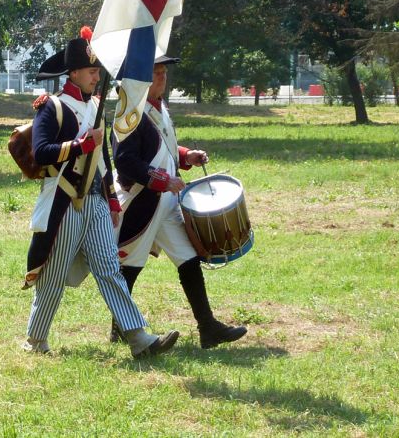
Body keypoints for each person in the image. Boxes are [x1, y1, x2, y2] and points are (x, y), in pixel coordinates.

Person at [22, 27, 178, 358]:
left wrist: (111, 200)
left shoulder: (95, 106)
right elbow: (42, 152)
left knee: (109, 268)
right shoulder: (53, 106)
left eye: (97, 71)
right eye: (91, 71)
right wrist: (80, 144)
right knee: (55, 274)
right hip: (65, 200)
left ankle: (138, 338)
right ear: (74, 73)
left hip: (95, 201)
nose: (96, 77)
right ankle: (35, 339)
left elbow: (103, 159)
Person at [112, 56, 247, 349]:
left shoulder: (158, 107)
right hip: (142, 203)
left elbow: (164, 148)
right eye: (156, 72)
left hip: (166, 202)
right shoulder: (129, 114)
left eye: (163, 72)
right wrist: (161, 180)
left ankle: (208, 327)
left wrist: (186, 156)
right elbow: (124, 161)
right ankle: (120, 328)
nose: (162, 77)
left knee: (188, 259)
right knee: (130, 266)